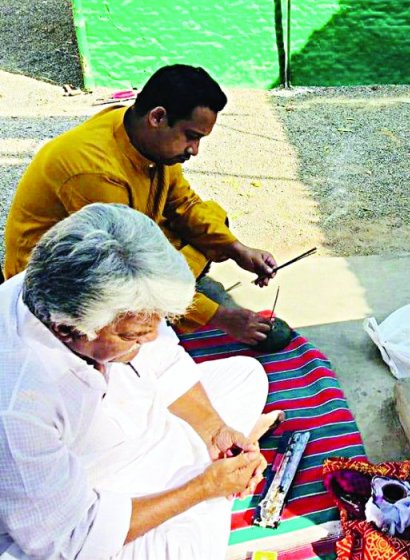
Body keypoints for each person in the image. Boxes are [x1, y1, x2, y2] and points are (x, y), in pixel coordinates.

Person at [0, 203, 283, 559]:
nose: (148, 341)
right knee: (191, 543)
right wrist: (204, 488)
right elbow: (68, 540)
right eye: (133, 335)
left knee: (247, 376)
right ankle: (191, 486)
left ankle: (192, 465)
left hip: (131, 432)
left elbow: (165, 362)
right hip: (83, 489)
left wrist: (215, 430)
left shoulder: (69, 284)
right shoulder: (17, 408)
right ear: (67, 328)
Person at [3, 64, 276, 345]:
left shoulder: (143, 137)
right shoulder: (94, 172)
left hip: (123, 244)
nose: (194, 150)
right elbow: (122, 270)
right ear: (158, 117)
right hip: (58, 285)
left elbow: (184, 204)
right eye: (191, 136)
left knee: (214, 218)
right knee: (135, 306)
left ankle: (179, 295)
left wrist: (237, 250)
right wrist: (222, 317)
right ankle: (175, 302)